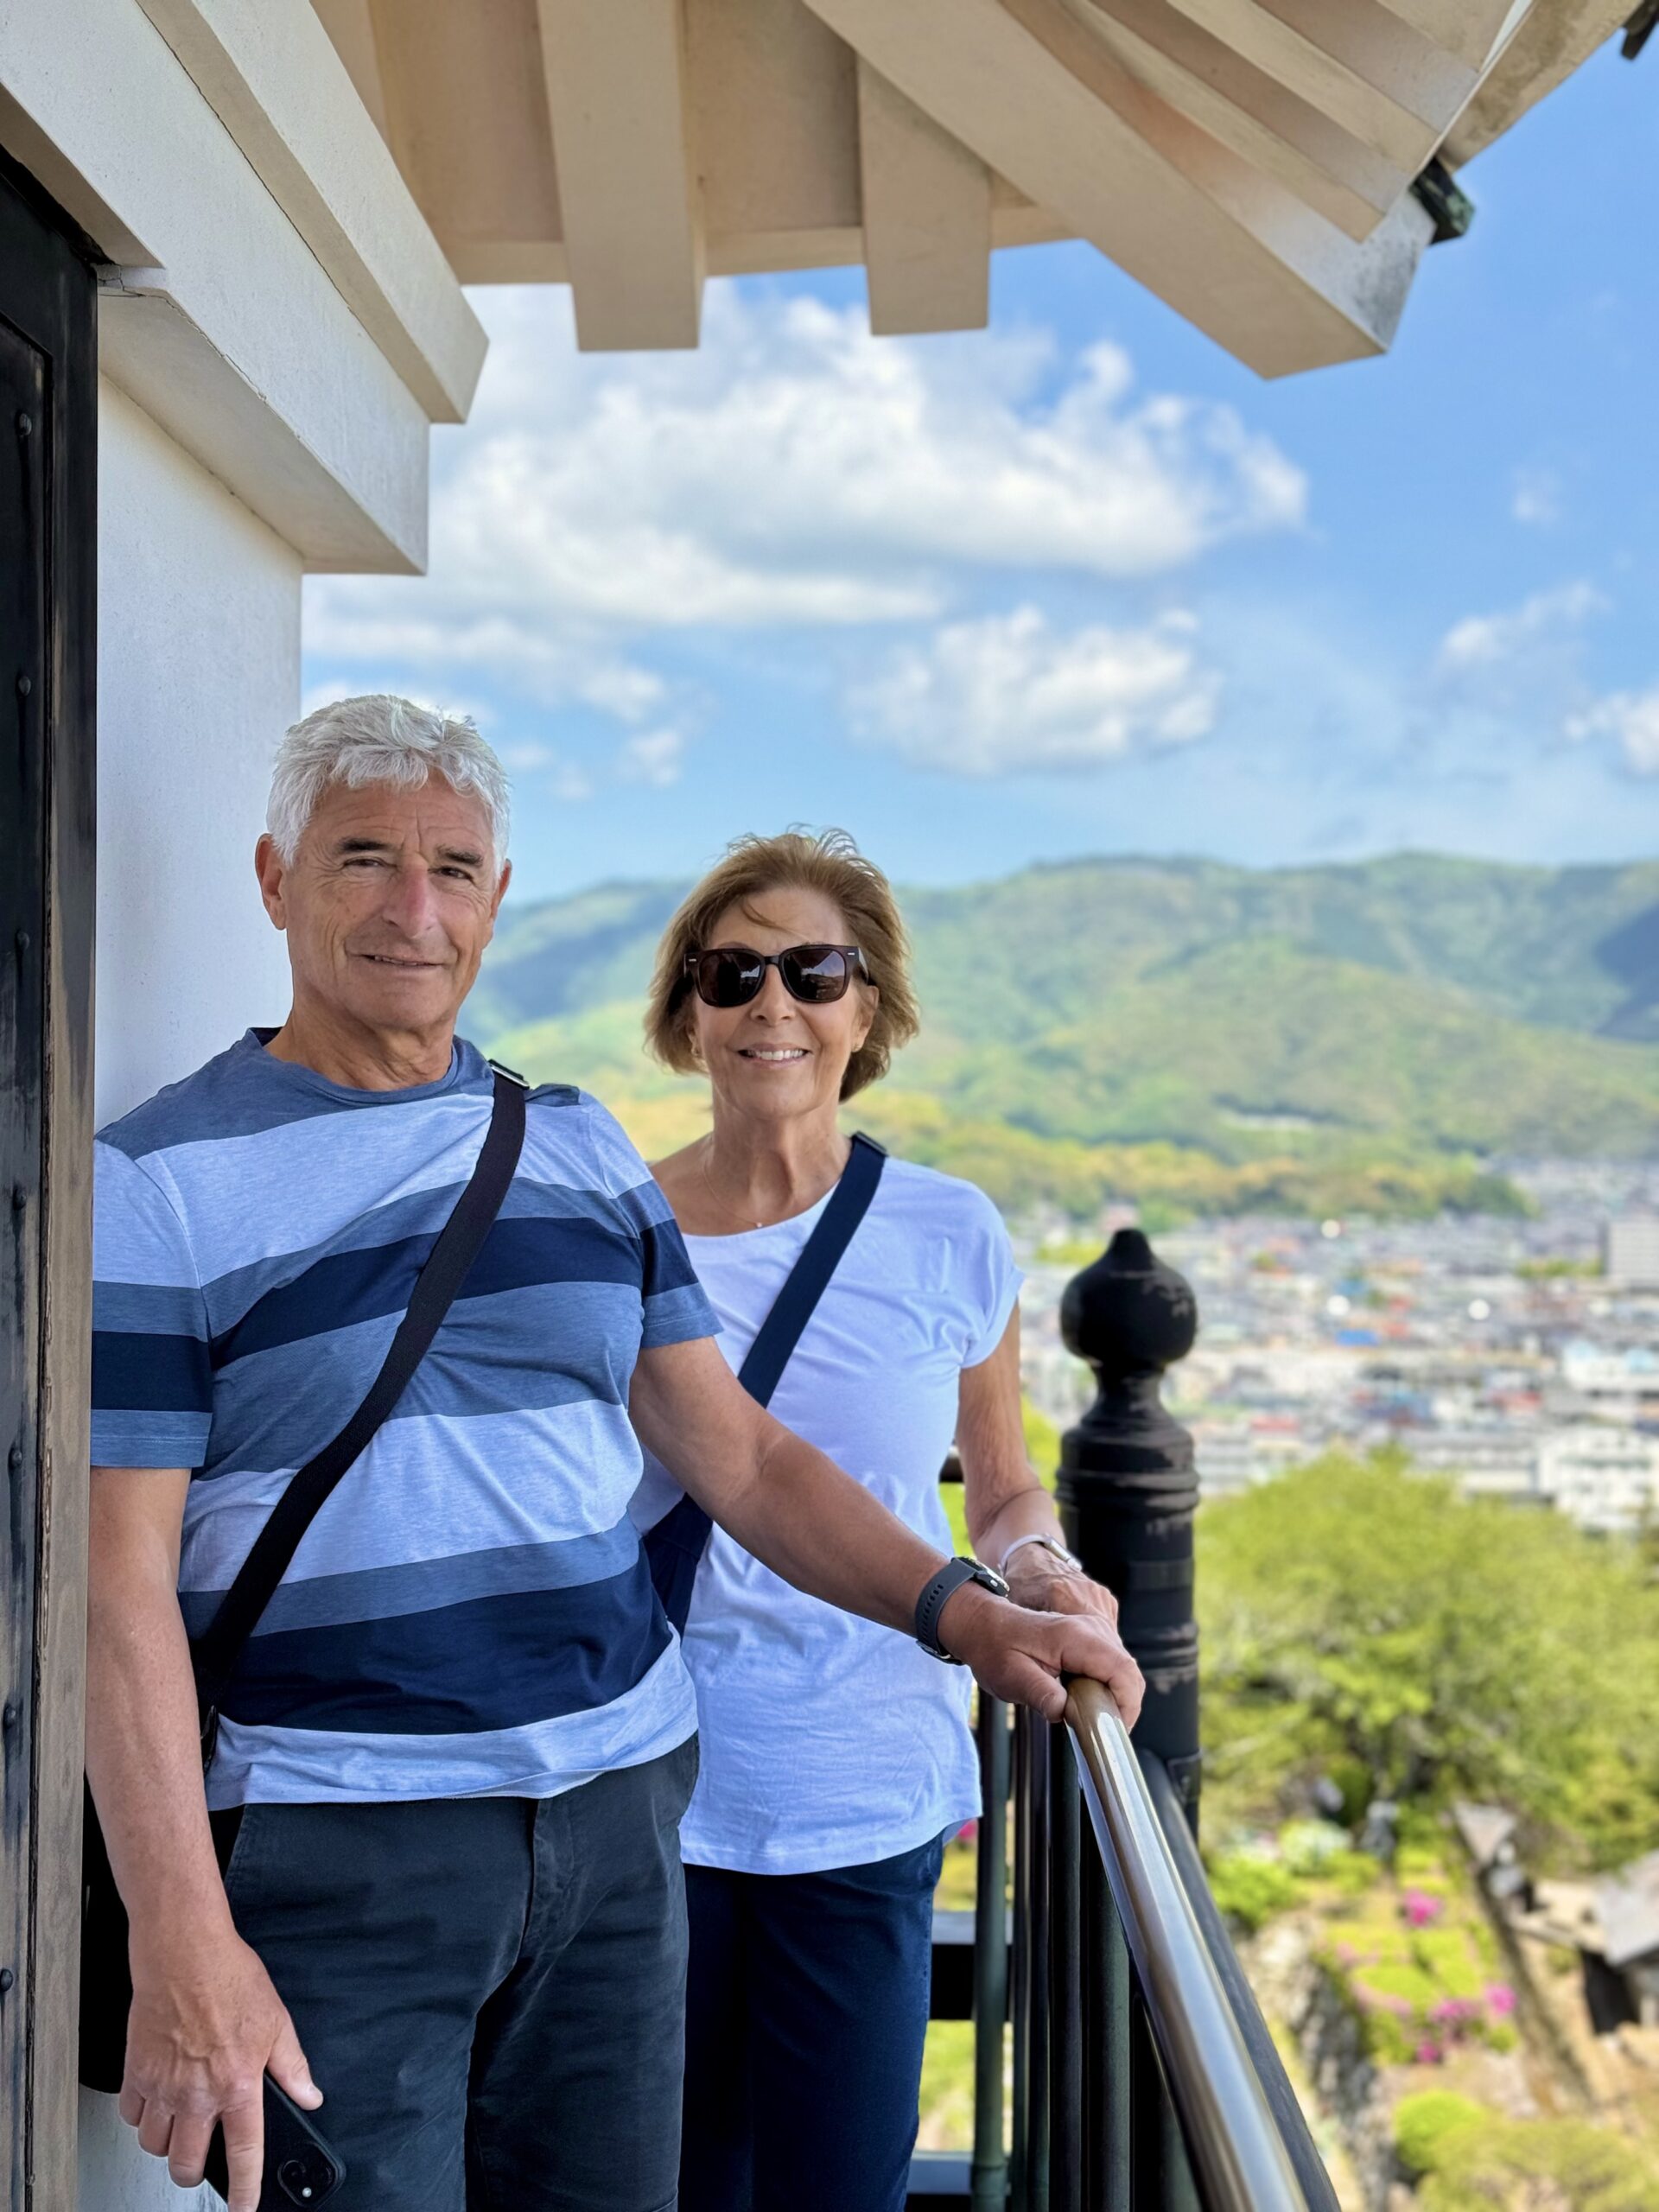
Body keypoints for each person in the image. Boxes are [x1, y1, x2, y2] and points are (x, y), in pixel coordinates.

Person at [86, 697, 1143, 2212]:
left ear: (498, 899)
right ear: (274, 879)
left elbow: (745, 1462)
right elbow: (117, 1591)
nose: (413, 908)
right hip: (343, 1841)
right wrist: (179, 1937)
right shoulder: (162, 1181)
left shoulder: (575, 1147)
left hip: (619, 1823)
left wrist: (973, 1611)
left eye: (454, 869)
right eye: (362, 860)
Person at [634, 830, 1140, 2212]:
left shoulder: (948, 1232)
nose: (771, 1005)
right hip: (643, 1802)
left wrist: (1036, 1562)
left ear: (870, 1010)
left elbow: (1002, 1471)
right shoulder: (617, 1228)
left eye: (815, 970)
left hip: (861, 1792)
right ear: (689, 1011)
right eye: (731, 973)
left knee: (837, 2189)